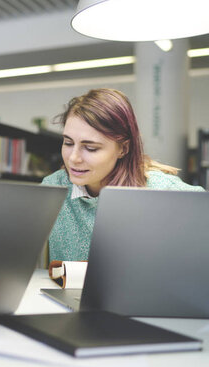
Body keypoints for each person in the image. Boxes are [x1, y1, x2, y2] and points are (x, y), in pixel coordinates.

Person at [42, 88, 204, 262]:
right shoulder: (52, 189)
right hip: (65, 290)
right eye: (68, 143)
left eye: (91, 148)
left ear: (123, 148)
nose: (73, 158)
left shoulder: (164, 191)